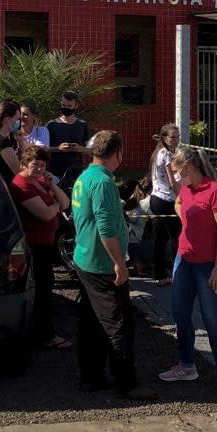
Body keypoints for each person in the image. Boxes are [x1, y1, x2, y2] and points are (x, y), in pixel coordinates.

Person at [72, 130, 155, 401]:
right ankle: (127, 383)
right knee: (118, 325)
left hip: (85, 259)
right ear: (118, 154)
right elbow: (106, 226)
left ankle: (91, 376)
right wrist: (119, 263)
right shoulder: (104, 183)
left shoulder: (84, 177)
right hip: (102, 264)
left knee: (91, 322)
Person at [158, 147, 217, 396]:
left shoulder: (216, 191)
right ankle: (186, 365)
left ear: (187, 168)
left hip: (207, 265)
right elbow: (179, 202)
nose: (175, 178)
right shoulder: (186, 190)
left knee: (212, 318)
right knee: (180, 313)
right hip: (184, 259)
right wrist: (183, 217)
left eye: (176, 173)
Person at [9, 144, 72, 350]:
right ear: (24, 164)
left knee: (46, 288)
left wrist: (52, 185)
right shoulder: (22, 185)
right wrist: (54, 207)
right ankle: (45, 335)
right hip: (34, 247)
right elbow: (45, 214)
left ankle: (43, 331)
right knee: (41, 291)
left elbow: (66, 202)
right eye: (35, 165)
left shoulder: (39, 182)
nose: (38, 169)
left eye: (42, 165)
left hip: (45, 245)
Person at [149, 123, 181, 286]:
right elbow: (171, 181)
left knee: (161, 239)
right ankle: (180, 273)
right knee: (178, 238)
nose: (176, 140)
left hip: (156, 199)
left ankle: (160, 276)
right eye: (173, 137)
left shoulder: (158, 152)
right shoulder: (167, 154)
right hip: (166, 200)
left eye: (178, 136)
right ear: (164, 138)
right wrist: (182, 196)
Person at [47, 91, 90, 187]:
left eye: (69, 106)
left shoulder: (82, 125)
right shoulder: (52, 124)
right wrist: (58, 148)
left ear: (76, 106)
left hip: (75, 169)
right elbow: (43, 148)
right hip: (55, 169)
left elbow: (91, 150)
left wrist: (81, 148)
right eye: (63, 105)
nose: (66, 108)